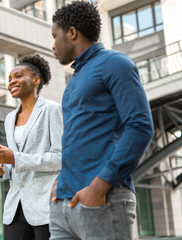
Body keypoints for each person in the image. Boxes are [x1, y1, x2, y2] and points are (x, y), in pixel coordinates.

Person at [49, 2, 154, 240]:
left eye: (55, 36)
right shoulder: (74, 79)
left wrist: (99, 186)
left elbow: (140, 126)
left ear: (72, 33)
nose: (53, 45)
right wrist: (60, 181)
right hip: (64, 206)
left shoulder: (115, 63)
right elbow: (78, 137)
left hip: (101, 200)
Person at [0, 54, 63, 240]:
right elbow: (15, 166)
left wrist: (15, 158)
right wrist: (1, 169)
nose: (12, 81)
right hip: (15, 206)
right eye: (10, 79)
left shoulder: (52, 110)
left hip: (45, 204)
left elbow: (61, 158)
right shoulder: (9, 118)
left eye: (18, 76)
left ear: (36, 80)